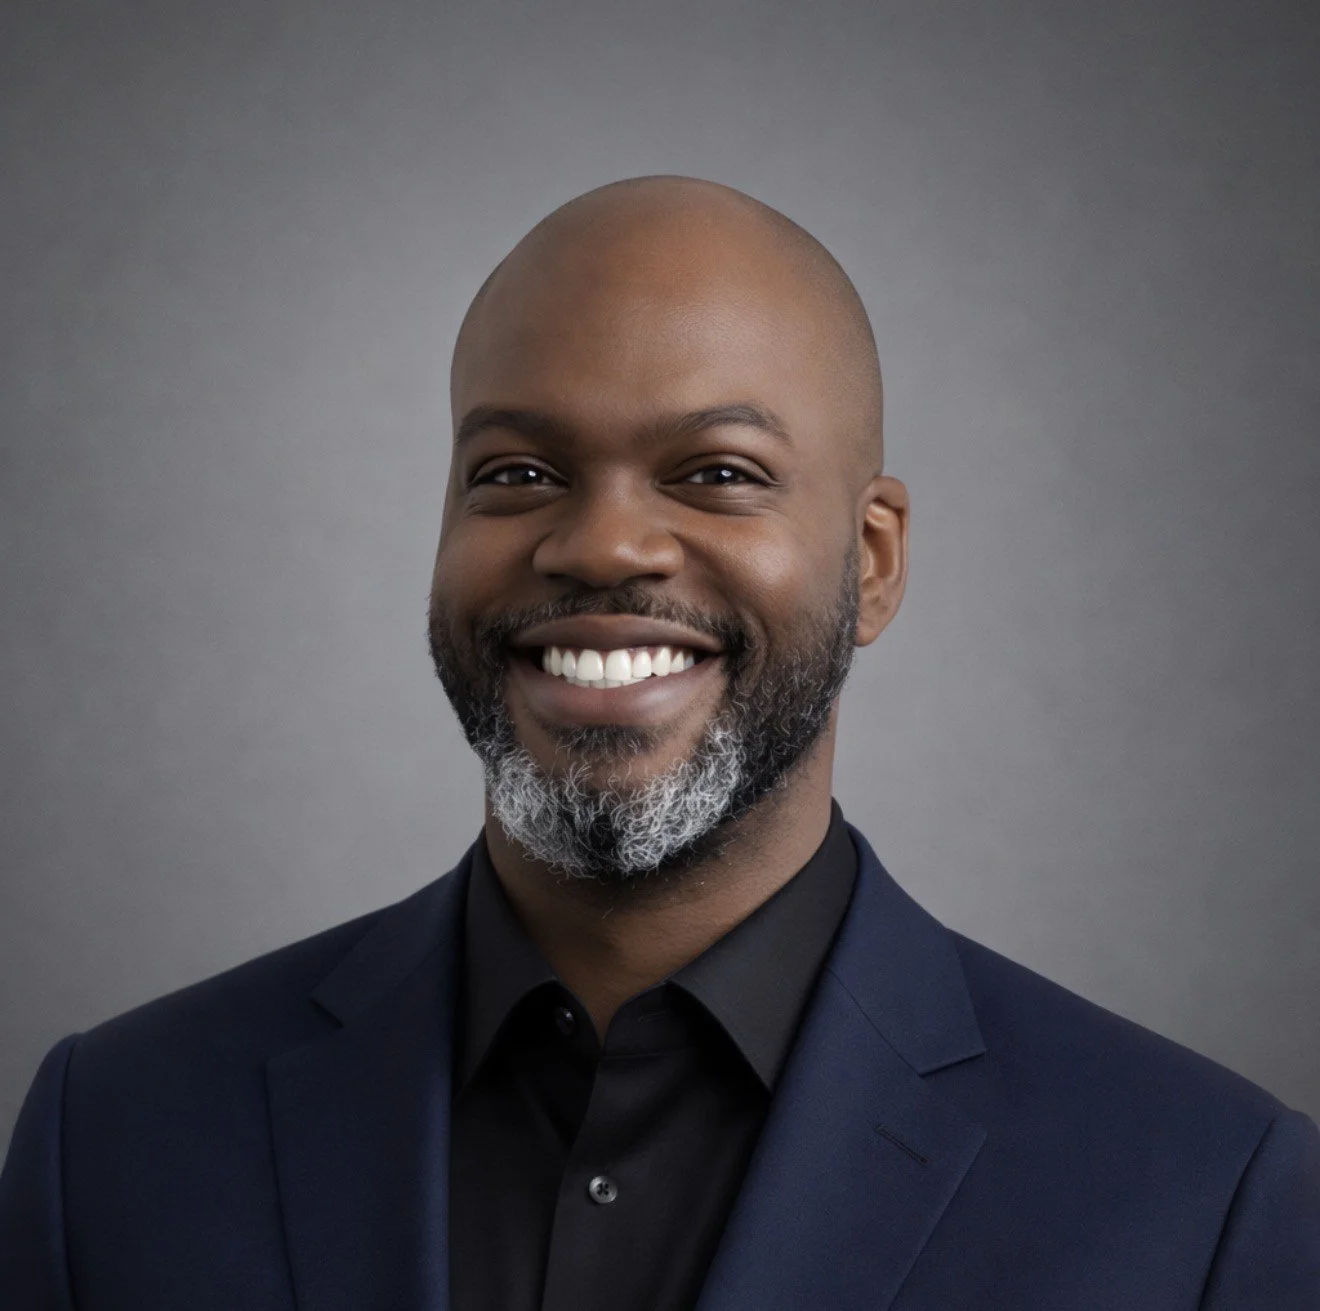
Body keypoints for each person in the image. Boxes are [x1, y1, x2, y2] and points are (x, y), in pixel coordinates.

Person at [1, 175, 1317, 1310]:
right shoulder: (109, 1136)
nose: (602, 546)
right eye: (517, 474)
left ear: (871, 561)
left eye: (717, 473)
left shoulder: (1203, 1201)